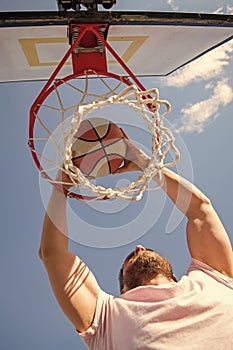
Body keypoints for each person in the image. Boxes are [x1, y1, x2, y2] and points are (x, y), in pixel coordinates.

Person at [39, 136, 233, 350]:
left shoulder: (214, 278)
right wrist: (63, 182)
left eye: (142, 250)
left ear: (174, 275)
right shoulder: (105, 318)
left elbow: (201, 209)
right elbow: (52, 253)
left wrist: (145, 164)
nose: (139, 247)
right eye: (130, 257)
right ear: (123, 290)